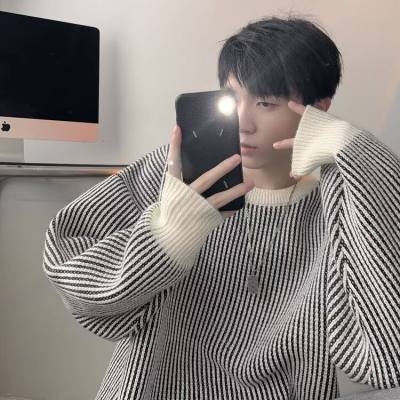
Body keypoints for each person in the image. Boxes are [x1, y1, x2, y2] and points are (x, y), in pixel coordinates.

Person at [42, 13, 400, 400]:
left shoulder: (338, 206)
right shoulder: (178, 172)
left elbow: (385, 353)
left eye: (265, 102)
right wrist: (165, 238)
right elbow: (69, 269)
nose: (244, 122)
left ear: (319, 108)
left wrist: (356, 150)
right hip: (154, 386)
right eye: (232, 99)